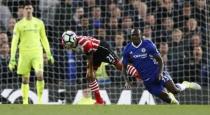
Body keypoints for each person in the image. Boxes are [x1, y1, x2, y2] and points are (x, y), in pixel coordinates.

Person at [122, 28, 202, 104]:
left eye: (136, 35)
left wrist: (160, 73)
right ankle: (172, 99)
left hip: (157, 73)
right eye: (133, 35)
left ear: (140, 35)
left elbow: (160, 60)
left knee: (175, 91)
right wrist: (126, 81)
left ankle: (186, 84)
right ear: (130, 36)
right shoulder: (127, 49)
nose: (135, 36)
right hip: (147, 81)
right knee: (168, 100)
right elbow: (124, 66)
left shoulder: (148, 45)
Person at [61, 30, 140, 104]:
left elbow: (90, 53)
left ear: (72, 41)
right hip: (94, 54)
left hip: (102, 49)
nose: (66, 46)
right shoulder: (73, 42)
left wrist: (90, 69)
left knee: (119, 66)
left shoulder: (82, 42)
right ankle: (99, 101)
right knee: (90, 77)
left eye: (67, 44)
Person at [8, 1, 54, 104]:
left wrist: (49, 53)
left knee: (40, 75)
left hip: (37, 53)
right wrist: (12, 58)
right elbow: (14, 42)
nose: (28, 10)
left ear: (32, 9)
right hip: (24, 54)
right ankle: (25, 102)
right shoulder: (19, 25)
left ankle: (40, 100)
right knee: (25, 79)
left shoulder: (39, 23)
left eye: (30, 8)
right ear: (23, 11)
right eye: (26, 8)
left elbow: (44, 39)